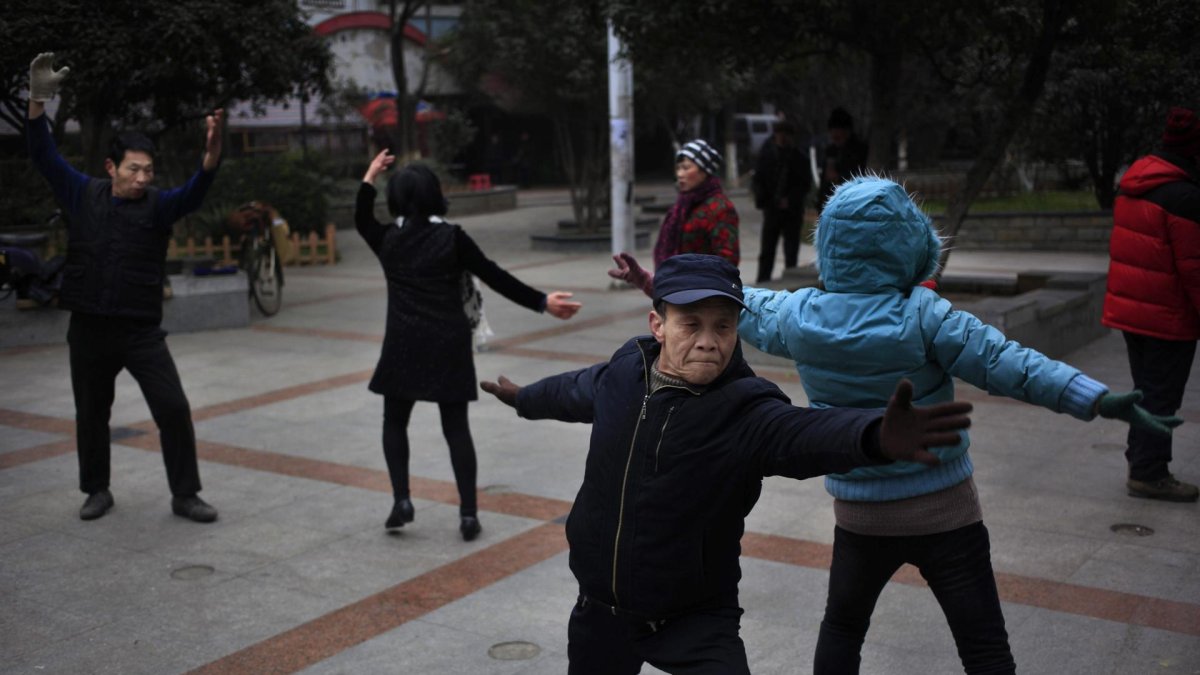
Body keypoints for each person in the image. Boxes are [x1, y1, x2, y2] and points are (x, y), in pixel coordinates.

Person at [736, 175, 1182, 674]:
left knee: (842, 629)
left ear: (831, 246)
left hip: (860, 515)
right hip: (946, 513)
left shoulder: (798, 315)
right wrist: (1093, 397)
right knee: (984, 646)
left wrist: (664, 287)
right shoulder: (926, 315)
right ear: (910, 242)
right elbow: (1009, 363)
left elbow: (738, 302)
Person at [480, 253, 976, 674]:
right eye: (690, 325)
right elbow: (575, 390)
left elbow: (802, 433)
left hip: (696, 620)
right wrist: (524, 397)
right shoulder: (627, 369)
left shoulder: (744, 408)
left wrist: (873, 435)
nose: (708, 340)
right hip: (601, 610)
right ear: (658, 325)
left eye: (723, 326)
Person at [25, 53, 224, 523]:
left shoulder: (157, 206)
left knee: (173, 407)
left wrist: (210, 159)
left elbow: (193, 194)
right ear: (112, 167)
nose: (142, 178)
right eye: (134, 169)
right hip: (90, 327)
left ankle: (185, 493)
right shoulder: (81, 192)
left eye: (148, 171)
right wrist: (36, 101)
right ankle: (96, 489)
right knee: (91, 413)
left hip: (139, 330)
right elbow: (43, 156)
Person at [356, 150, 581, 540]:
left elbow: (361, 219)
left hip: (403, 343)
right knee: (456, 428)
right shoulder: (452, 238)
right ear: (435, 195)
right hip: (447, 343)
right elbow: (494, 275)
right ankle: (468, 515)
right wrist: (543, 302)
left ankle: (402, 501)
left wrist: (370, 175)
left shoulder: (389, 240)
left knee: (394, 422)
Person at [1102, 106, 1200, 503]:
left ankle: (1140, 458)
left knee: (1146, 390)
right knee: (1161, 396)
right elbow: (1195, 269)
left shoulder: (1135, 184)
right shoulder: (1185, 196)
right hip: (1167, 316)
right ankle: (1149, 473)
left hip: (1133, 311)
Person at [608, 139, 739, 298]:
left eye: (686, 167)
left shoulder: (720, 208)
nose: (680, 174)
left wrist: (696, 290)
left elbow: (727, 263)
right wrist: (645, 280)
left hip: (703, 300)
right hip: (674, 296)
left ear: (705, 171)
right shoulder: (681, 207)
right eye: (678, 168)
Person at [752, 119, 812, 282]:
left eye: (786, 134)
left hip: (792, 211)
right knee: (767, 250)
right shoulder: (767, 156)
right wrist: (764, 200)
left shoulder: (799, 157)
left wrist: (791, 199)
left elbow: (805, 183)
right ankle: (763, 281)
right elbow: (758, 180)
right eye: (780, 134)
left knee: (791, 250)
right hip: (772, 208)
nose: (783, 138)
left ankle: (790, 282)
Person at [816, 107, 869, 211]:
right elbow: (824, 181)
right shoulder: (830, 151)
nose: (834, 135)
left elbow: (859, 175)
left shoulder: (859, 151)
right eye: (832, 131)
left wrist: (839, 178)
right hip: (830, 203)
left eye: (837, 131)